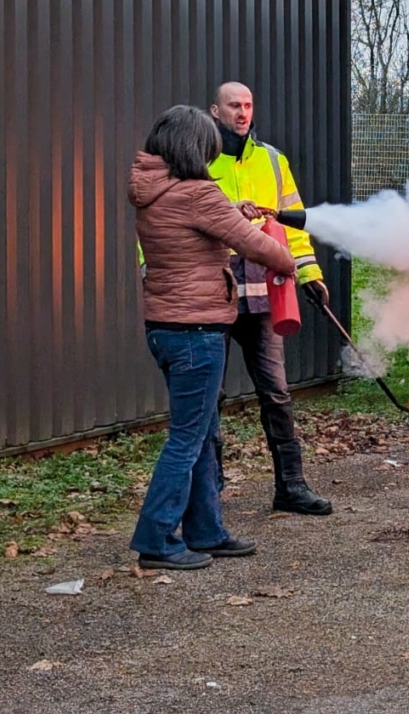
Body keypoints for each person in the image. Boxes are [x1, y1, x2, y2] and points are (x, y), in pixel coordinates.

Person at [129, 105, 297, 570]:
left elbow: (206, 229)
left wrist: (231, 213)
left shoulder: (155, 191)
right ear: (195, 148)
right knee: (186, 439)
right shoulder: (198, 195)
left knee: (201, 434)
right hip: (196, 331)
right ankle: (156, 541)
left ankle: (206, 531)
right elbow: (254, 245)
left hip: (165, 327)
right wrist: (289, 263)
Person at [208, 81, 333, 516]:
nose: (242, 113)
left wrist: (310, 274)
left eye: (247, 105)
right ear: (215, 111)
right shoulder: (198, 160)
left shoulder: (273, 161)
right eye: (233, 106)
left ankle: (291, 486)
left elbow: (292, 226)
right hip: (213, 293)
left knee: (277, 393)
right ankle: (211, 493)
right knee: (211, 397)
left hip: (264, 293)